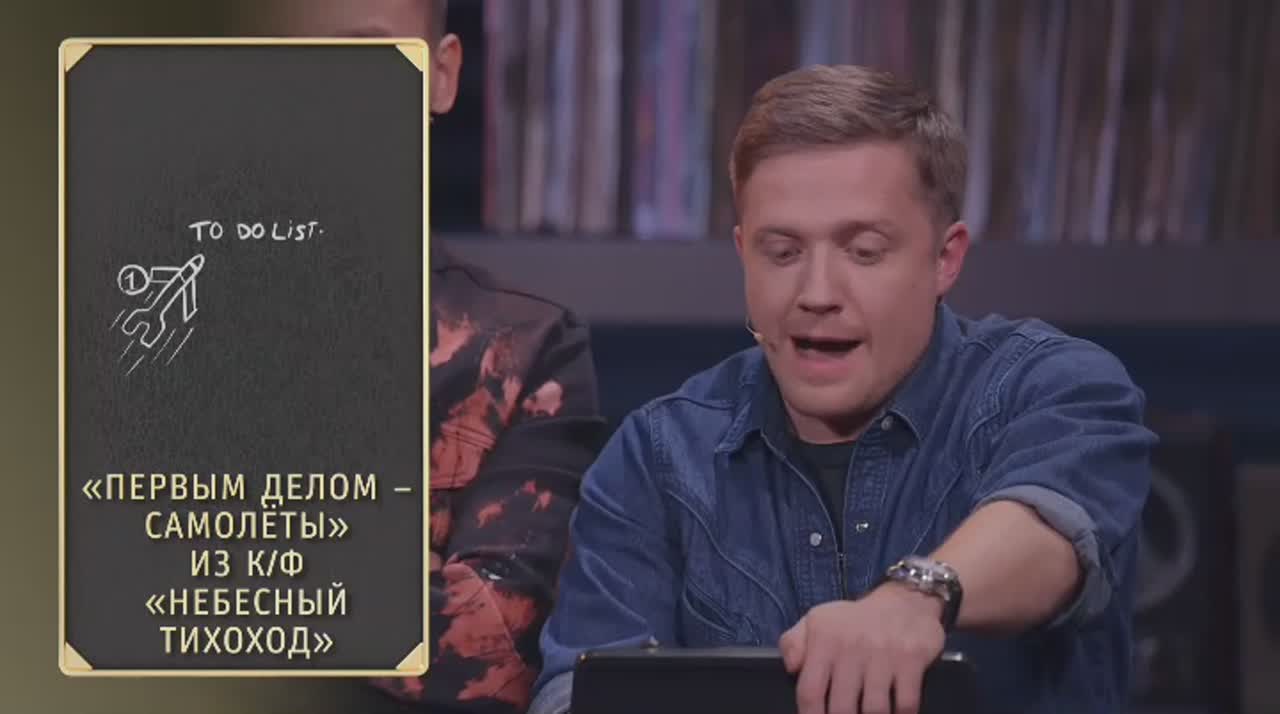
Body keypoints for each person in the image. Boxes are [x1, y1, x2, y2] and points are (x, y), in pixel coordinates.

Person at [531, 64, 1155, 714]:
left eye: (864, 251)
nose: (818, 293)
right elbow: (576, 692)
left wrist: (917, 599)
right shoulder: (655, 457)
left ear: (945, 259)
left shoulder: (1054, 387)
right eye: (783, 252)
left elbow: (1056, 529)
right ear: (743, 254)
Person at [262, 1, 609, 712]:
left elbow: (489, 649)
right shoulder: (114, 317)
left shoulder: (528, 349)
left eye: (362, 55)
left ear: (442, 75)